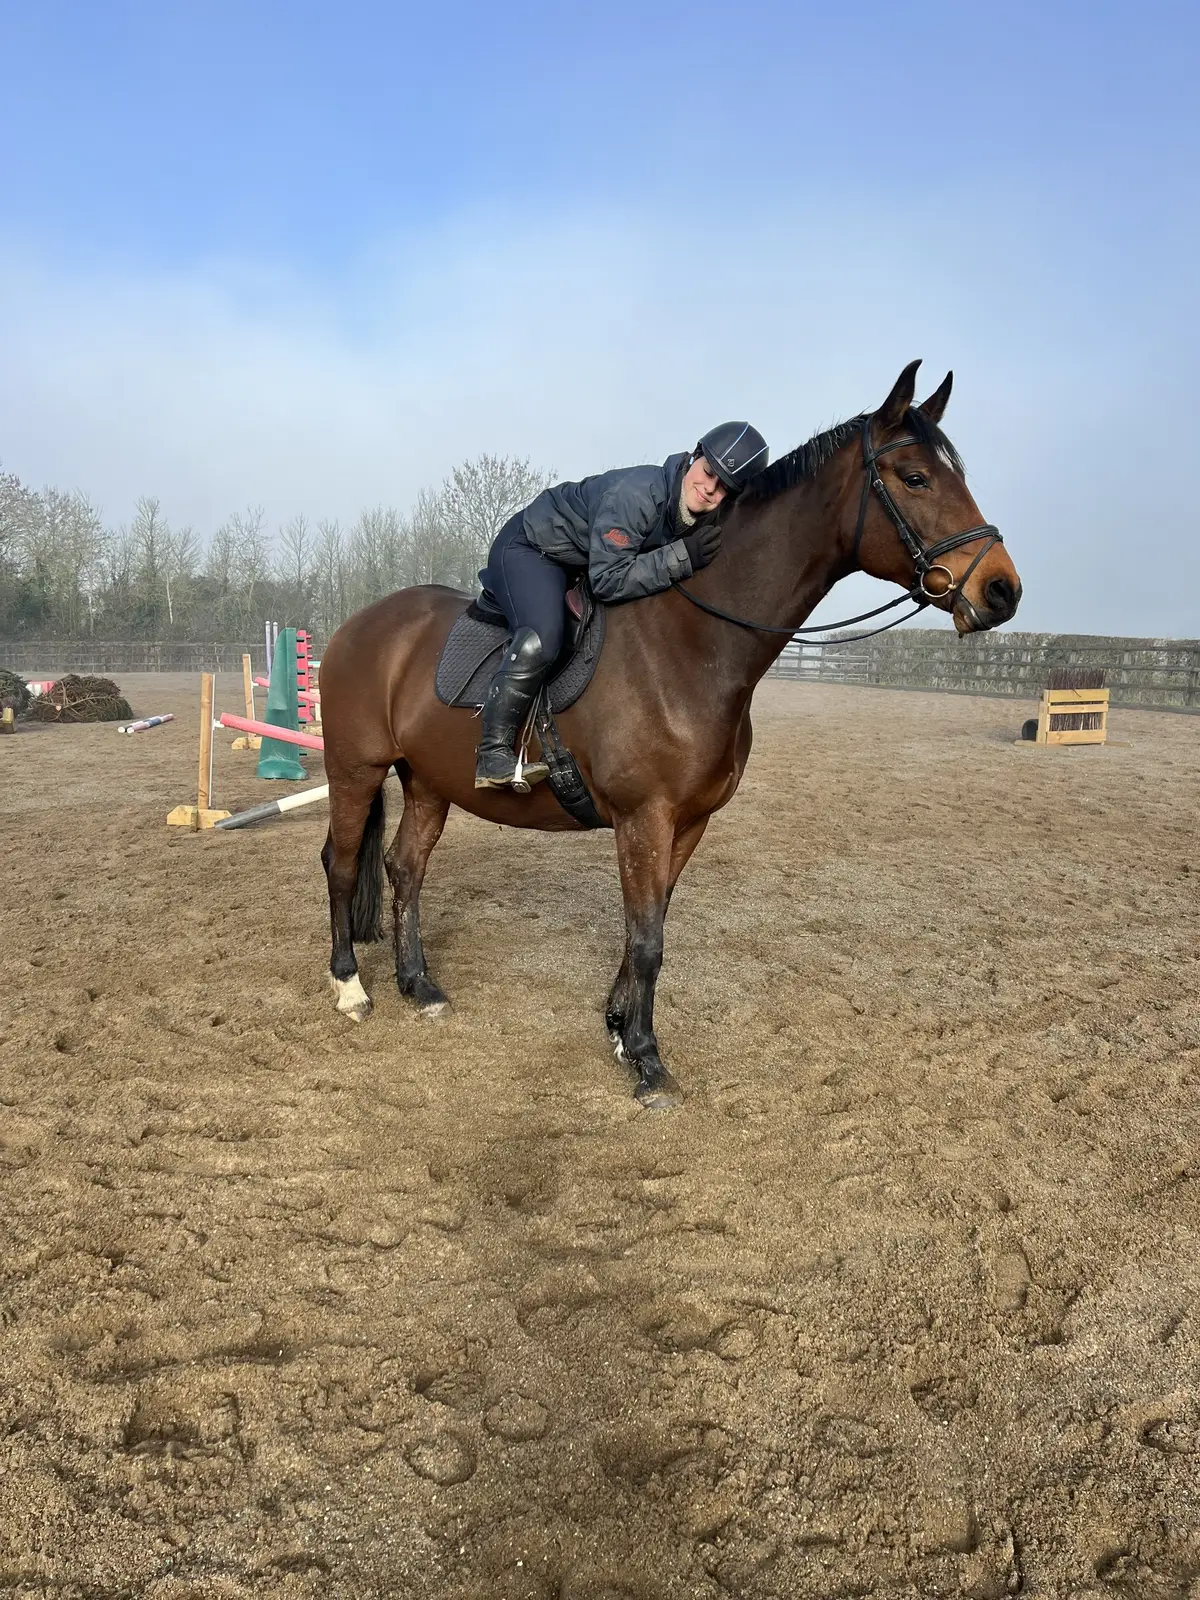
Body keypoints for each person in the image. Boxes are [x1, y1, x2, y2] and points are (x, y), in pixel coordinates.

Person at [474, 421, 769, 790]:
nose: (709, 488)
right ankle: (493, 753)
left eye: (723, 487)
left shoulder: (695, 514)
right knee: (543, 636)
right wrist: (681, 557)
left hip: (579, 559)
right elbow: (608, 579)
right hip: (531, 547)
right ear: (694, 457)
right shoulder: (637, 494)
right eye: (708, 472)